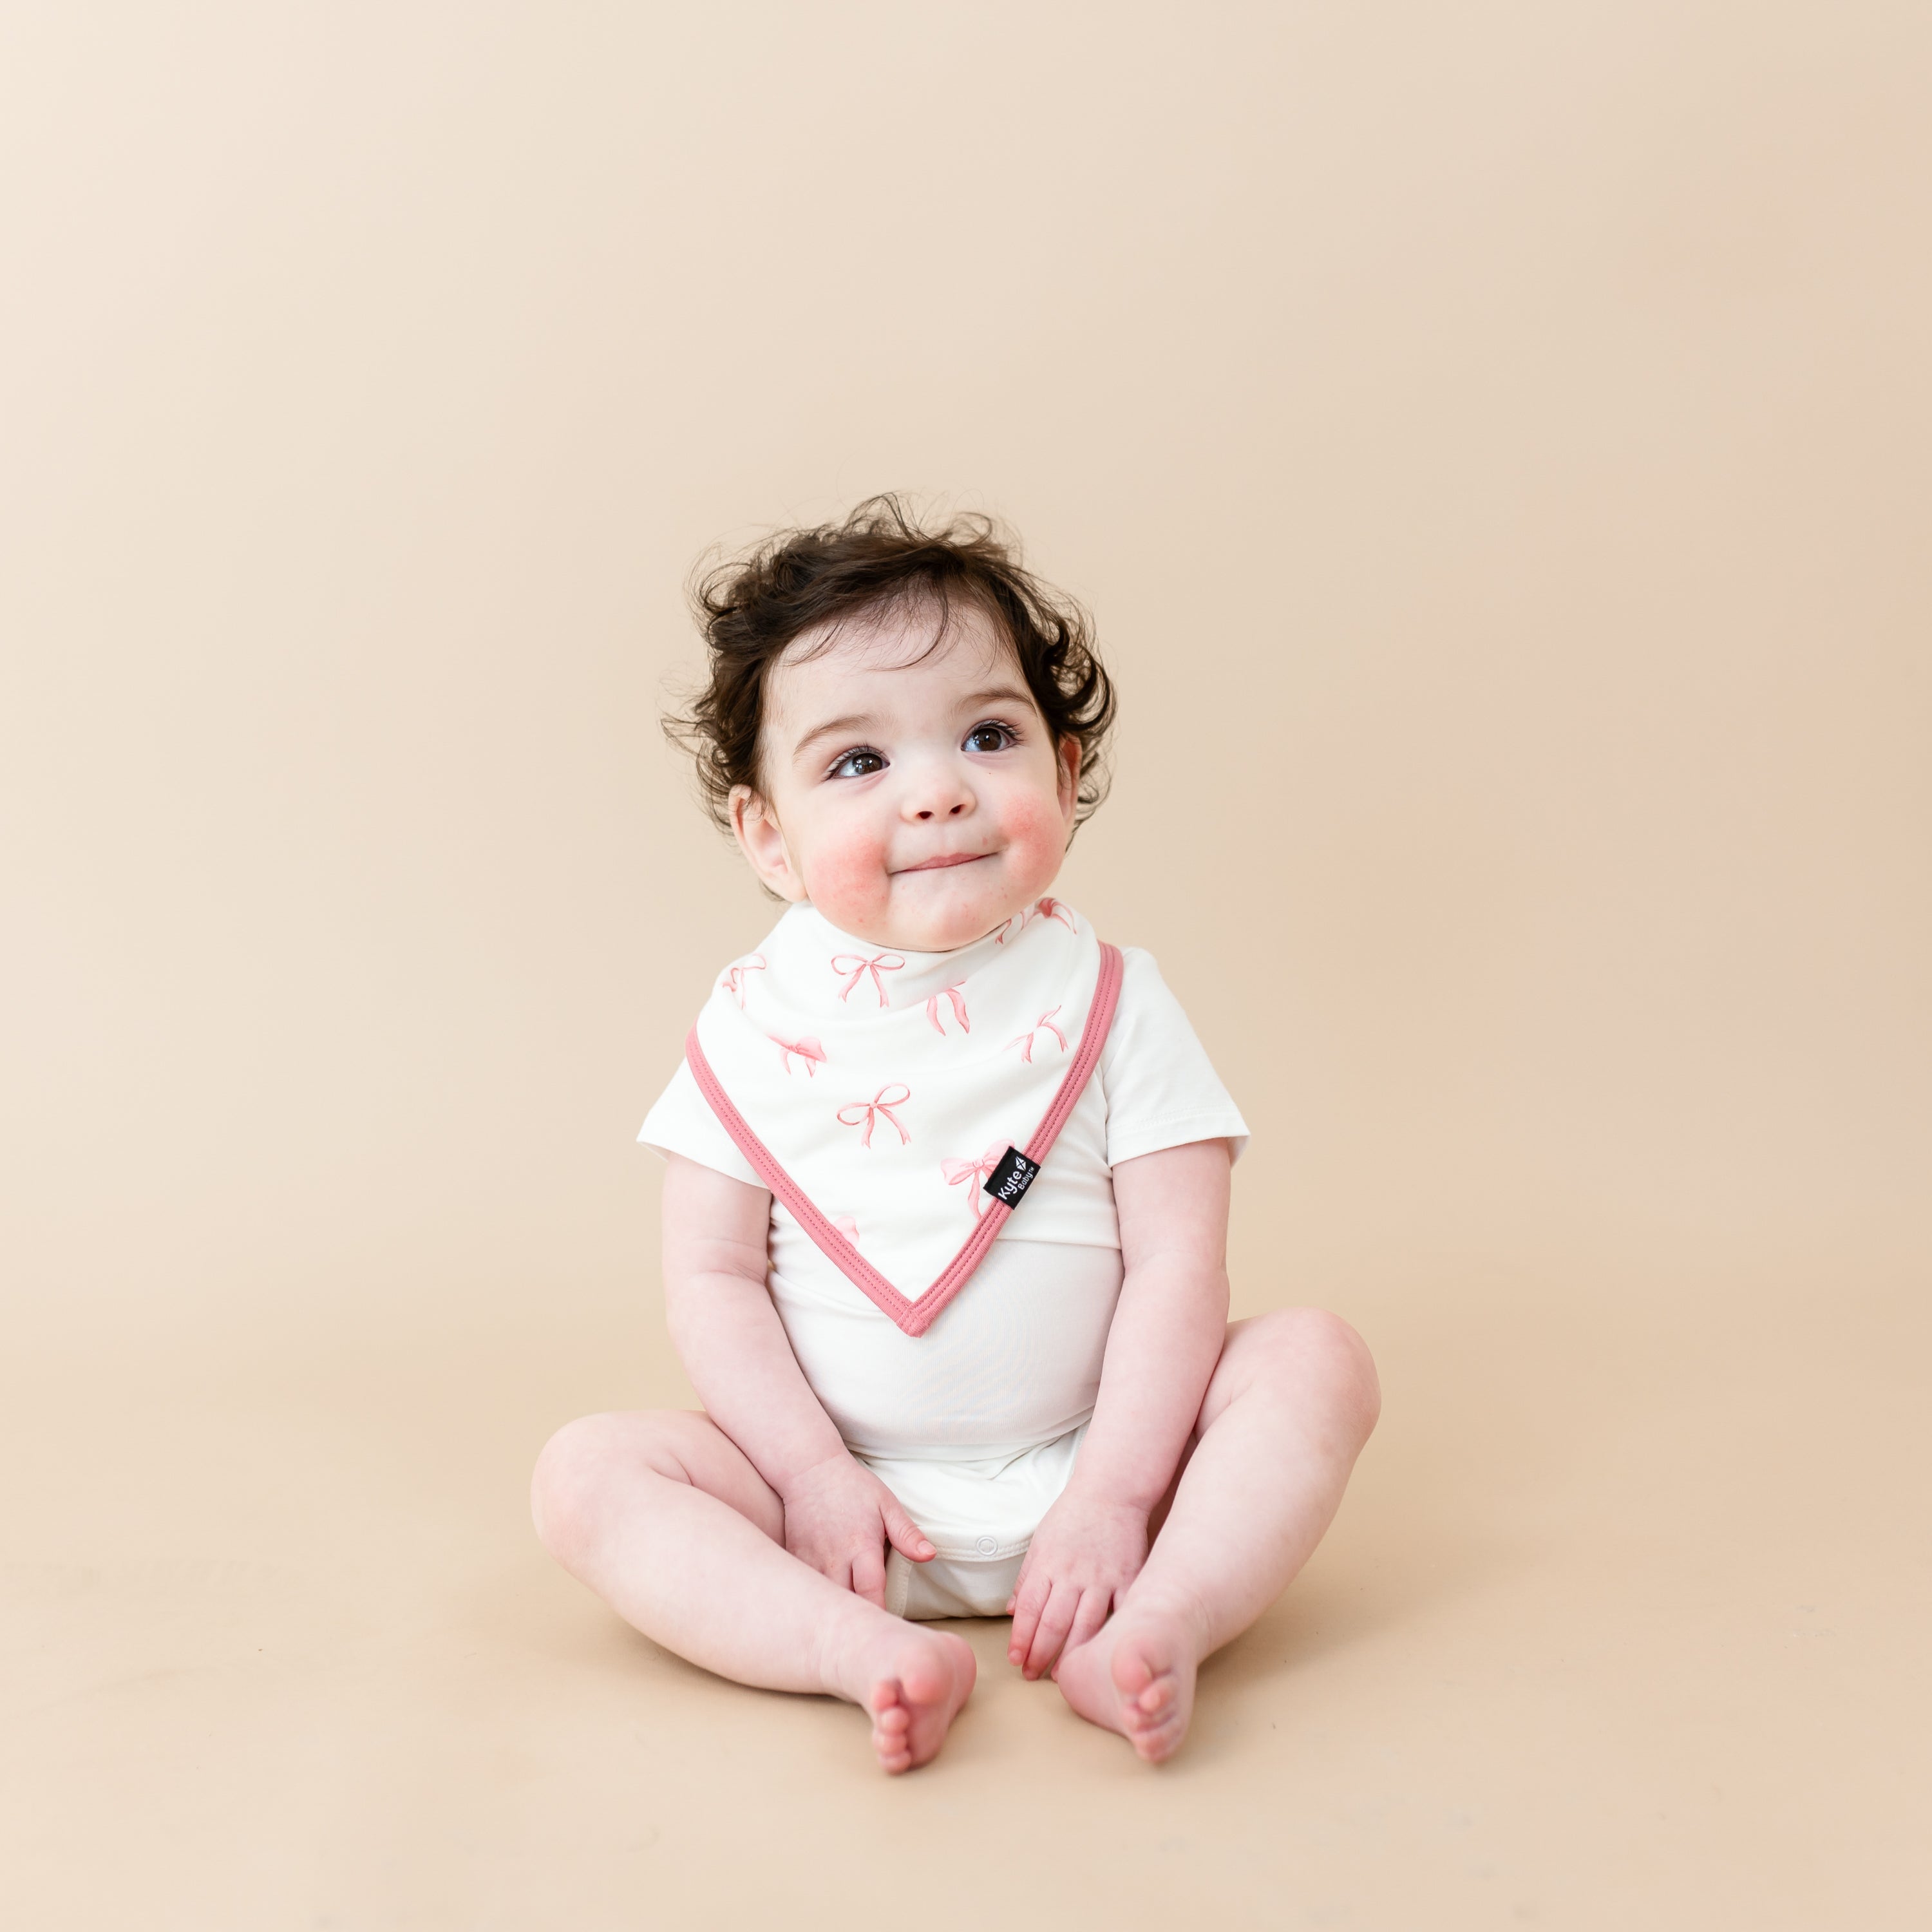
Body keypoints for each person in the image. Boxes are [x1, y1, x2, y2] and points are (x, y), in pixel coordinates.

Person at [531, 498, 1379, 1771]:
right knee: (586, 1476)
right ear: (769, 838)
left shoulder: (1113, 1003)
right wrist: (814, 1477)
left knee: (1318, 1361)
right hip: (842, 1515)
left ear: (1066, 773)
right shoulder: (758, 1032)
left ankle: (1160, 1623)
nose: (938, 792)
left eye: (989, 735)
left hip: (1106, 1482)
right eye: (857, 763)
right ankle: (854, 1650)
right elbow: (711, 1279)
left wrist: (1113, 1496)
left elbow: (1178, 1265)